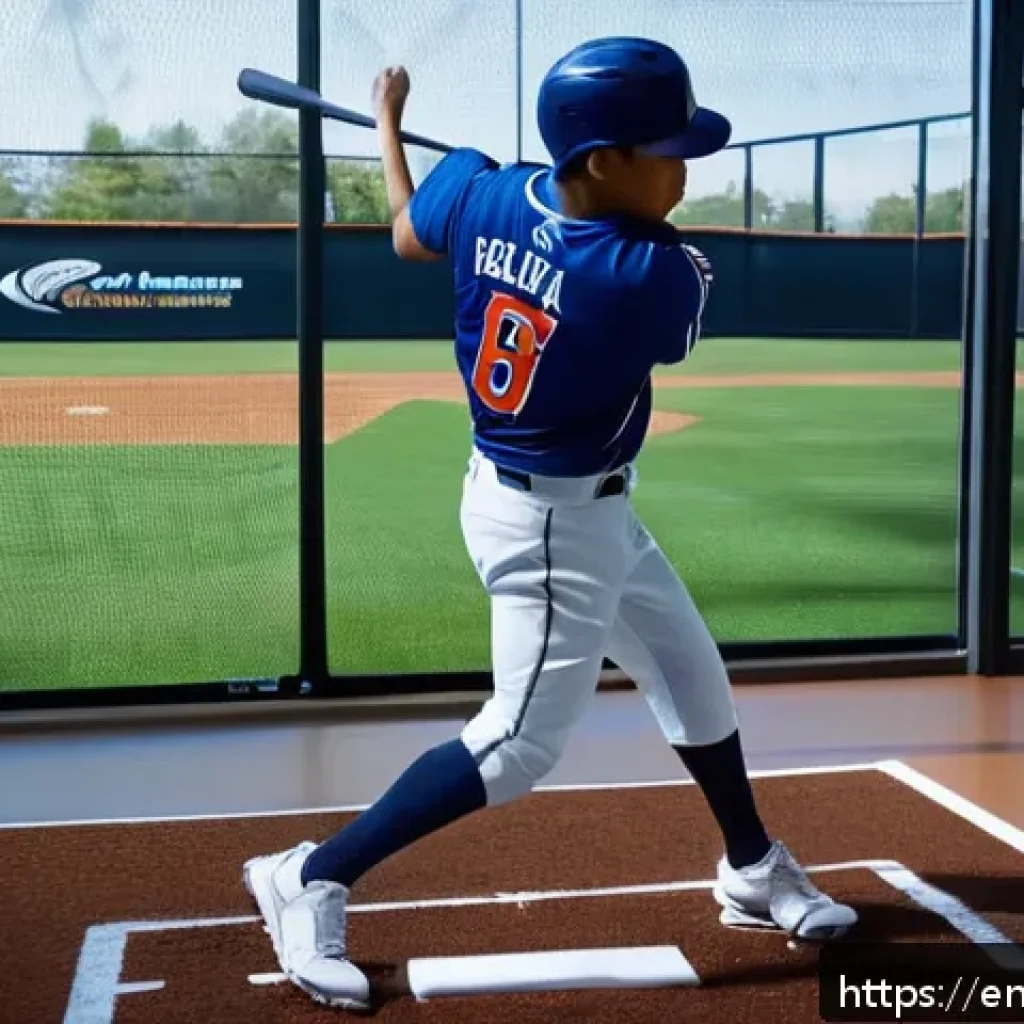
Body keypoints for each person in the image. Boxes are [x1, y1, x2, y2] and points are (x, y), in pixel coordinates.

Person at [243, 36, 858, 1011]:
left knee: (690, 672)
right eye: (663, 149)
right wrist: (515, 186)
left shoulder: (488, 193)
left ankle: (749, 863)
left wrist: (401, 131)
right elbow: (680, 279)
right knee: (518, 743)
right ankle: (311, 871)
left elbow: (407, 230)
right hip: (549, 532)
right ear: (602, 162)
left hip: (568, 501)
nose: (683, 168)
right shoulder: (639, 274)